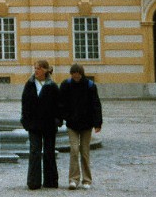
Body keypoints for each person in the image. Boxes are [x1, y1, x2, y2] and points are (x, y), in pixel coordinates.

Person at [59, 63, 103, 190]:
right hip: (72, 124)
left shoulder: (90, 86)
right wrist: (64, 117)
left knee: (85, 152)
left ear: (81, 74)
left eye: (78, 75)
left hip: (86, 124)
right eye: (74, 75)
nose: (76, 77)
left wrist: (97, 123)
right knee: (74, 150)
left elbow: (96, 105)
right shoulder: (66, 85)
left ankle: (87, 180)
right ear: (71, 74)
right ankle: (73, 179)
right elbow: (61, 103)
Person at [21, 59, 61, 190]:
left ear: (45, 70)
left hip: (49, 124)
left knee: (49, 152)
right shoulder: (30, 84)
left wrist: (58, 120)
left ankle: (50, 181)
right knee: (34, 152)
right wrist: (25, 121)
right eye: (35, 68)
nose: (36, 71)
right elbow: (25, 103)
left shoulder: (52, 86)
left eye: (38, 68)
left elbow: (58, 105)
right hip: (34, 125)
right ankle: (33, 182)